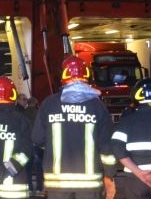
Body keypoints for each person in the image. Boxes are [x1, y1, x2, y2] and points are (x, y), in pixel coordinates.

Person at [32, 56, 118, 199]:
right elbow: (106, 147)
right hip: (89, 185)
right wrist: (109, 175)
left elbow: (37, 138)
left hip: (57, 183)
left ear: (64, 76)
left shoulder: (49, 104)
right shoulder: (97, 106)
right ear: (87, 76)